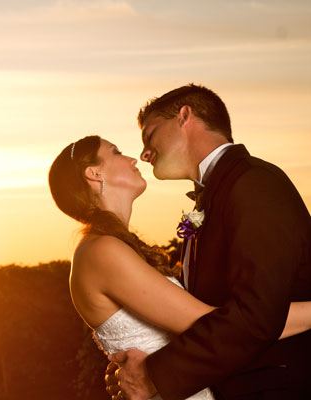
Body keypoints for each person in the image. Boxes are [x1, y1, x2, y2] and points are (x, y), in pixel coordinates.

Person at [48, 134, 311, 400]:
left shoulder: (110, 247)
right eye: (116, 152)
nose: (132, 158)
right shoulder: (102, 251)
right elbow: (215, 325)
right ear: (93, 173)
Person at [103, 84, 311, 400]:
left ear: (185, 117)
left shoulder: (255, 183)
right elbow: (208, 311)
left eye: (150, 135)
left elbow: (258, 315)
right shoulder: (218, 194)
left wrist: (154, 375)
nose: (144, 153)